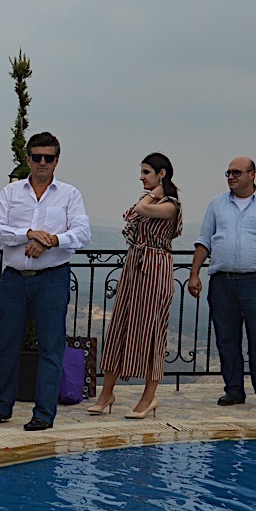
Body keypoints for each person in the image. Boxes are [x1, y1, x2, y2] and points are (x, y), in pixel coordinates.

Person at [0, 132, 91, 431]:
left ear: (57, 160)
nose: (43, 162)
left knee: (50, 348)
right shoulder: (11, 193)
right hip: (14, 279)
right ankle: (2, 406)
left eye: (49, 157)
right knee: (6, 344)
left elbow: (82, 233)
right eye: (37, 157)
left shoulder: (69, 194)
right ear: (28, 159)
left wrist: (51, 240)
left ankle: (44, 413)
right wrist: (28, 234)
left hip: (51, 279)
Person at [188, 156, 256, 412]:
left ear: (252, 174)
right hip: (221, 281)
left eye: (236, 172)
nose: (230, 177)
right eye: (228, 173)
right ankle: (233, 390)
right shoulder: (216, 204)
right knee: (226, 339)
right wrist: (194, 273)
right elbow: (204, 240)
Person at [89, 153, 182, 419]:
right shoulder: (149, 199)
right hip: (134, 266)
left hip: (155, 268)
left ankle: (148, 397)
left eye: (146, 172)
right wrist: (152, 193)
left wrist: (155, 194)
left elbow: (140, 210)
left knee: (153, 330)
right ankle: (106, 393)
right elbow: (132, 213)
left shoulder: (171, 205)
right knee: (119, 326)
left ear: (162, 174)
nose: (141, 177)